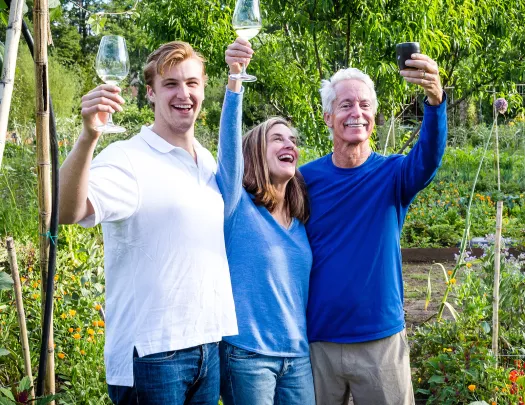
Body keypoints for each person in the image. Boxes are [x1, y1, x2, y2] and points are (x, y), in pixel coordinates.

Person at [58, 41, 237, 405]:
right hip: (153, 353)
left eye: (192, 83)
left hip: (206, 343)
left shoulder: (205, 160)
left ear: (203, 88)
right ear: (151, 94)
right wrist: (88, 136)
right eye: (170, 84)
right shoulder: (127, 158)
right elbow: (65, 211)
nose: (183, 93)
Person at [300, 55, 447, 405]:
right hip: (318, 339)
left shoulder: (394, 175)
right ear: (327, 117)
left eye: (365, 105)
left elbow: (428, 159)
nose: (357, 112)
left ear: (374, 117)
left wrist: (435, 101)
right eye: (346, 104)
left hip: (380, 338)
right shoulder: (304, 180)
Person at [216, 38, 315, 405]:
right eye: (277, 138)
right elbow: (227, 152)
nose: (289, 143)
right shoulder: (237, 205)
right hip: (248, 354)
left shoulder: (300, 220)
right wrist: (235, 81)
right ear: (255, 151)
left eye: (292, 139)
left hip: (298, 356)